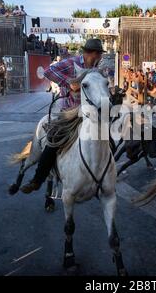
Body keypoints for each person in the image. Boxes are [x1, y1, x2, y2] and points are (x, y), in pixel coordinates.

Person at [20, 39, 105, 194]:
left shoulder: (94, 68)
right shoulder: (71, 63)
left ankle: (103, 175)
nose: (100, 57)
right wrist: (69, 82)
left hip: (89, 112)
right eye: (99, 54)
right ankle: (37, 180)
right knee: (54, 140)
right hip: (69, 112)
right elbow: (48, 72)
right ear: (92, 53)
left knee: (107, 136)